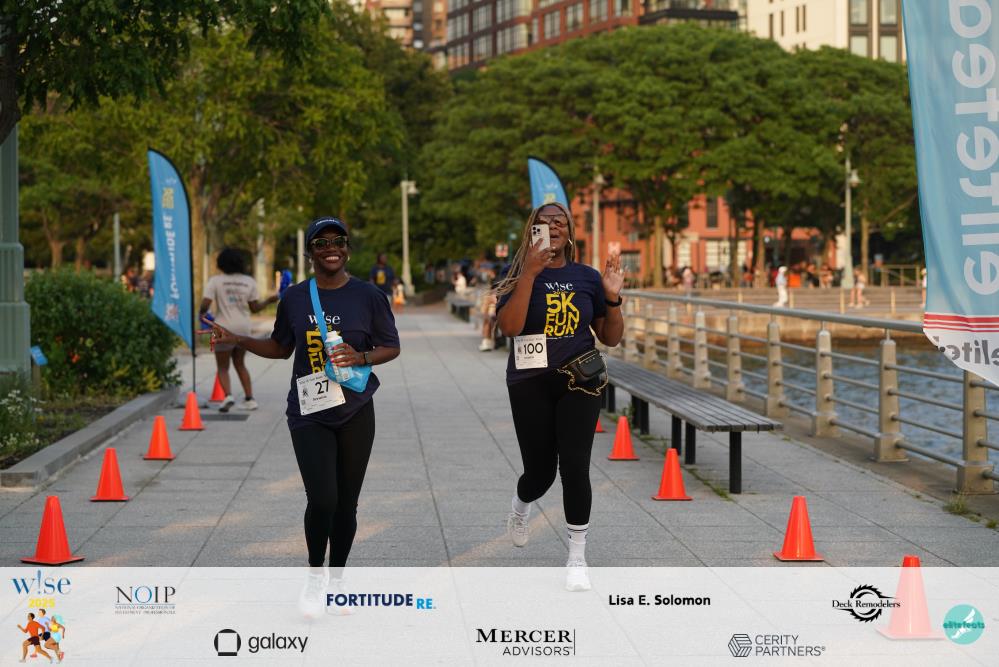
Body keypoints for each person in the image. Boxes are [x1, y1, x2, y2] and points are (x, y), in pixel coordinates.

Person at [209, 217, 400, 618]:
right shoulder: (295, 298)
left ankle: (338, 582)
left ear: (347, 248)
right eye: (321, 243)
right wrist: (238, 338)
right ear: (309, 252)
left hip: (355, 409)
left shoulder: (369, 296)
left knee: (346, 504)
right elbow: (281, 348)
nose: (331, 248)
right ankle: (315, 578)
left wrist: (361, 357)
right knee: (323, 499)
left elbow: (391, 346)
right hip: (309, 411)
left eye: (338, 241)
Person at [494, 202, 624, 592]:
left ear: (569, 232)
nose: (553, 226)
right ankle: (521, 506)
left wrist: (612, 298)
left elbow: (611, 337)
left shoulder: (586, 277)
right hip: (529, 382)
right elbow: (510, 327)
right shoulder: (515, 273)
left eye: (560, 221)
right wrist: (530, 273)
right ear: (531, 230)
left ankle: (577, 558)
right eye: (544, 222)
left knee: (575, 466)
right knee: (540, 474)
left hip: (579, 380)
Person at [200, 248, 278, 412]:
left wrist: (202, 314)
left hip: (221, 328)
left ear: (221, 263)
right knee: (240, 363)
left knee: (223, 367)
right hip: (243, 328)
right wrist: (269, 301)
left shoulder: (215, 281)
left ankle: (228, 396)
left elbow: (205, 304)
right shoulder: (249, 281)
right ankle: (250, 398)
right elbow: (255, 308)